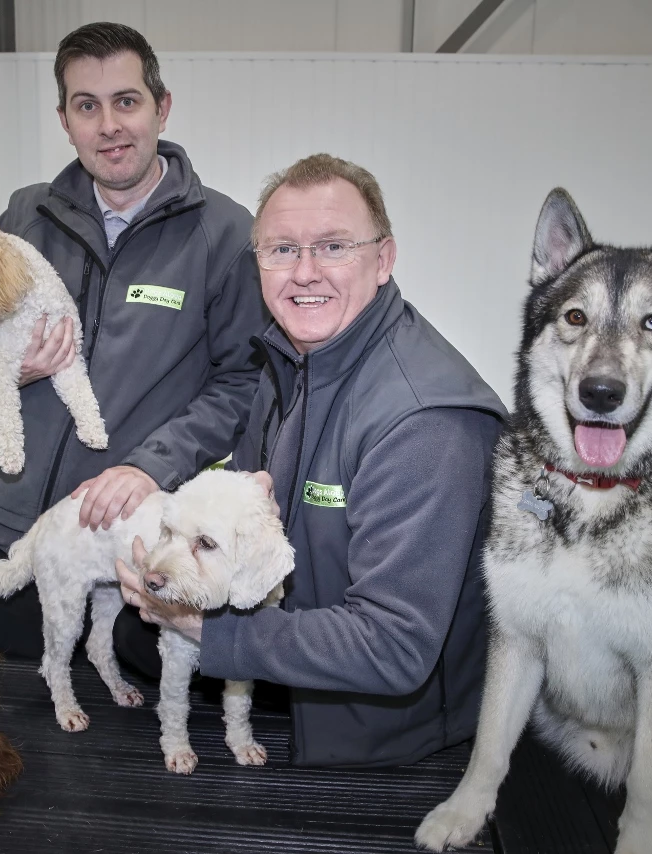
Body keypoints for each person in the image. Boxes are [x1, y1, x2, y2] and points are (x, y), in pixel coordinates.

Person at [116, 154, 507, 767]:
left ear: (383, 260)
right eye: (280, 250)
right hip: (295, 673)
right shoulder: (292, 360)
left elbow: (394, 645)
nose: (303, 272)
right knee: (127, 638)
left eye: (332, 247)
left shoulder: (424, 420)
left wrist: (211, 631)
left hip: (384, 733)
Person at [0, 22, 266, 658]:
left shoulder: (223, 234)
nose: (109, 125)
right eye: (87, 106)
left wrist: (150, 464)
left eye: (126, 101)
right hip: (13, 527)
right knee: (22, 711)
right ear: (65, 119)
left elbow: (243, 381)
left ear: (161, 107)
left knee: (130, 715)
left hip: (132, 539)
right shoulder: (28, 214)